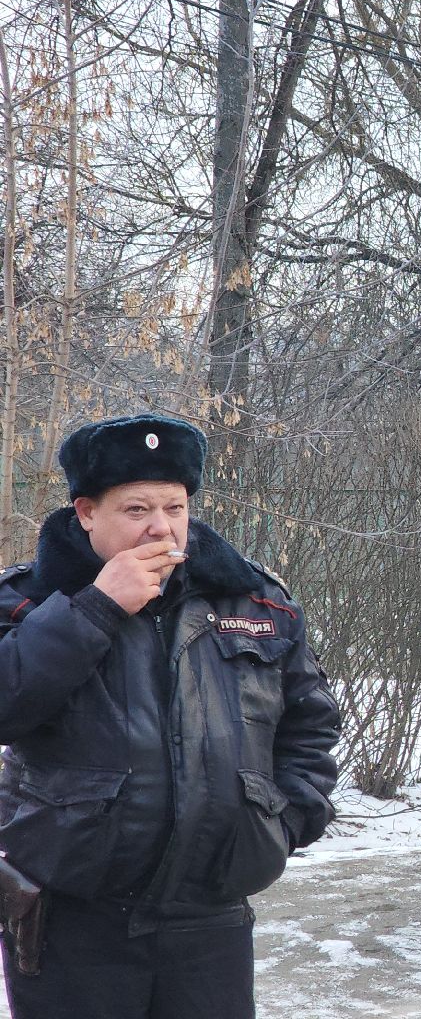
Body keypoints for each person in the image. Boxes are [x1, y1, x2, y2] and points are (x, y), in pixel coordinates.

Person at [0, 414, 340, 1018]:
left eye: (175, 507)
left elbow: (309, 726)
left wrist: (279, 822)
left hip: (210, 917)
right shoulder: (27, 600)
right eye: (137, 509)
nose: (160, 526)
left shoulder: (254, 600)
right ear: (86, 512)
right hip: (72, 918)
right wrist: (96, 608)